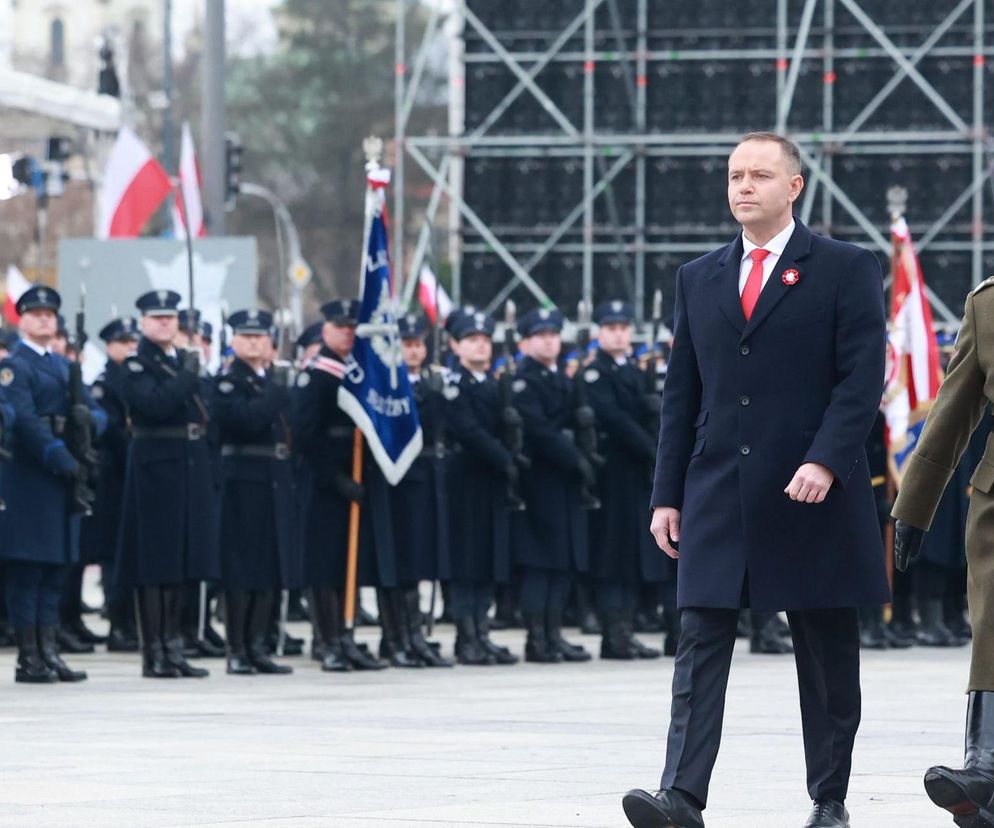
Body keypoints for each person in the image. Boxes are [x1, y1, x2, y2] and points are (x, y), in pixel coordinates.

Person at [622, 132, 889, 828]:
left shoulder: (844, 267)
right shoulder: (698, 276)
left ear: (794, 186)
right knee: (700, 638)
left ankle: (829, 798)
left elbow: (861, 381)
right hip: (716, 491)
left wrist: (826, 459)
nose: (745, 187)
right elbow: (683, 395)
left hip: (811, 493)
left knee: (826, 653)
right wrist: (666, 494)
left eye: (761, 175)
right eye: (736, 175)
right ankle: (680, 794)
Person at [891, 274, 994, 825]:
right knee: (992, 622)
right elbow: (953, 410)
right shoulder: (988, 305)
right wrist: (914, 506)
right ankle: (984, 764)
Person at [0, 285, 107, 683]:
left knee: (56, 570)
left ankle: (50, 651)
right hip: (31, 476)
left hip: (64, 477)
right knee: (28, 570)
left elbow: (97, 414)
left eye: (50, 314)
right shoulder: (15, 365)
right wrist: (60, 457)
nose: (45, 319)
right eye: (36, 313)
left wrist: (88, 423)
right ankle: (29, 657)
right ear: (21, 319)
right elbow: (23, 420)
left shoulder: (65, 367)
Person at [115, 290, 220, 679]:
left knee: (181, 563)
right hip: (155, 469)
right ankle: (154, 651)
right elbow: (152, 406)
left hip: (189, 464)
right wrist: (189, 376)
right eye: (157, 317)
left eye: (171, 318)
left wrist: (194, 373)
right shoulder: (136, 365)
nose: (165, 323)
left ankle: (174, 645)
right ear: (143, 321)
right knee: (155, 564)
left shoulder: (183, 361)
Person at [292, 298, 384, 672]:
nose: (347, 333)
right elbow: (306, 435)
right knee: (324, 567)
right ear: (326, 330)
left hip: (356, 478)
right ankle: (327, 640)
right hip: (324, 484)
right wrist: (336, 478)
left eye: (352, 327)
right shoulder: (318, 374)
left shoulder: (358, 373)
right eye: (340, 327)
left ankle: (346, 636)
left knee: (349, 565)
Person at [212, 309, 297, 676]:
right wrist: (276, 392)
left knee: (269, 564)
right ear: (233, 342)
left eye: (260, 337)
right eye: (245, 337)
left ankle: (260, 644)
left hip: (275, 477)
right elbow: (244, 422)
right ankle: (237, 647)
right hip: (241, 479)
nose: (253, 342)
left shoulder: (272, 381)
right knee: (241, 566)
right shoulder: (228, 383)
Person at [583, 300, 668, 660]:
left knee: (631, 556)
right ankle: (613, 634)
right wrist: (653, 447)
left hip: (636, 475)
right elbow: (613, 419)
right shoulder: (595, 373)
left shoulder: (633, 370)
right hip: (612, 472)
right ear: (599, 333)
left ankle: (626, 630)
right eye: (611, 328)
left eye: (623, 328)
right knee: (614, 557)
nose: (619, 334)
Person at [510, 307, 592, 664]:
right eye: (540, 335)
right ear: (525, 342)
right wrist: (576, 458)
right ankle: (537, 638)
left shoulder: (563, 379)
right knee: (541, 563)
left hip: (564, 482)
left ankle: (554, 633)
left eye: (553, 335)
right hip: (539, 479)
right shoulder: (523, 380)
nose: (549, 341)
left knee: (562, 561)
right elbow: (538, 431)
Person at [377, 313, 453, 667]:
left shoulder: (428, 383)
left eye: (418, 345)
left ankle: (414, 634)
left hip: (426, 479)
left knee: (419, 560)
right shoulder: (387, 388)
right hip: (397, 482)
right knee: (400, 563)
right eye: (406, 345)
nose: (413, 351)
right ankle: (396, 638)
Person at [444, 311, 518, 666]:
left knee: (488, 558)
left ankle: (482, 633)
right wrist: (505, 457)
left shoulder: (493, 384)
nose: (480, 345)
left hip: (490, 481)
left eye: (485, 340)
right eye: (472, 339)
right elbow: (466, 429)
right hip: (465, 480)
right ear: (455, 345)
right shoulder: (453, 384)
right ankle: (466, 637)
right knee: (467, 562)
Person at [83, 317, 141, 652]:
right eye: (123, 342)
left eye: (133, 341)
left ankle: (131, 623)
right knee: (115, 556)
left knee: (131, 553)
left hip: (133, 476)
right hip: (115, 479)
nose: (130, 347)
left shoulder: (134, 377)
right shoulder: (106, 384)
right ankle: (118, 623)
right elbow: (114, 433)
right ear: (109, 346)